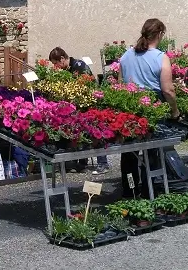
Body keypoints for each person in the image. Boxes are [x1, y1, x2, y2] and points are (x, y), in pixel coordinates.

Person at [119, 19, 180, 198]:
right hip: (152, 111)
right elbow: (168, 90)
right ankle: (148, 193)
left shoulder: (126, 56)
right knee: (150, 155)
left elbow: (121, 85)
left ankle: (130, 191)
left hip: (129, 111)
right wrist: (175, 111)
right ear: (160, 34)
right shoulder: (160, 57)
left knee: (129, 155)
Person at [49, 47, 110, 174]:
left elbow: (89, 85)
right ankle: (82, 163)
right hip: (76, 106)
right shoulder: (65, 69)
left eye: (56, 63)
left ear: (62, 59)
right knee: (80, 134)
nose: (56, 66)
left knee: (95, 132)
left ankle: (103, 163)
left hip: (89, 104)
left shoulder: (79, 65)